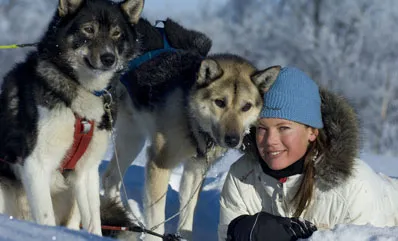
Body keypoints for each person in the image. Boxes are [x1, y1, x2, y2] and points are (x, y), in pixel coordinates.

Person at [218, 67, 398, 241]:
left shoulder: (354, 185)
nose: (270, 140)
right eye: (262, 128)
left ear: (312, 132)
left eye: (284, 128)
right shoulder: (242, 177)